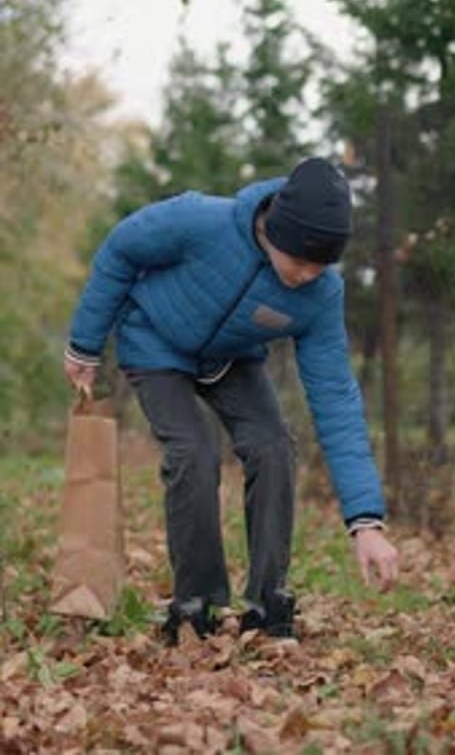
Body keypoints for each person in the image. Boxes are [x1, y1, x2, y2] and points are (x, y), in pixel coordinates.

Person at [64, 156, 399, 643]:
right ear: (274, 232)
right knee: (193, 452)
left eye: (321, 264)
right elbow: (121, 250)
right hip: (155, 344)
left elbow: (336, 398)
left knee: (274, 444)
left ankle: (268, 602)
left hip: (229, 359)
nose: (308, 274)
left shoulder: (320, 294)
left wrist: (365, 523)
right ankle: (194, 603)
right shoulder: (201, 221)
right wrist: (85, 344)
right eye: (301, 260)